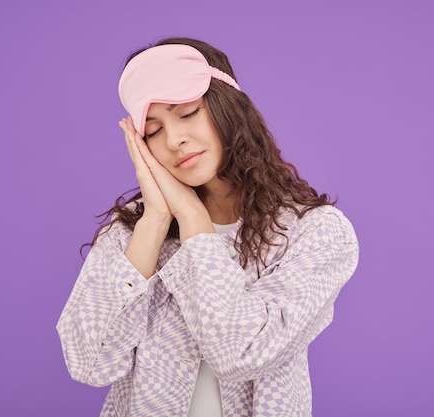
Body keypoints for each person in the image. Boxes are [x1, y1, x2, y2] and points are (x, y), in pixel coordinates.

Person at [56, 37, 359, 417]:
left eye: (187, 113)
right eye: (152, 131)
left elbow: (241, 352)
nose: (175, 139)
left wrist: (195, 222)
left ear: (228, 108)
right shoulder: (135, 230)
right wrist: (155, 220)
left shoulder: (314, 233)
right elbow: (89, 362)